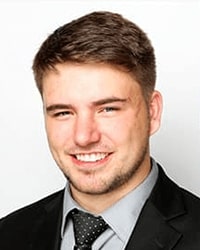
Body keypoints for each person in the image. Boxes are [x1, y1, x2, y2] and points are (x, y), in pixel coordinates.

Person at [0, 11, 200, 250]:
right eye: (63, 112)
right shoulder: (8, 234)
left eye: (107, 109)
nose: (84, 137)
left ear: (152, 112)